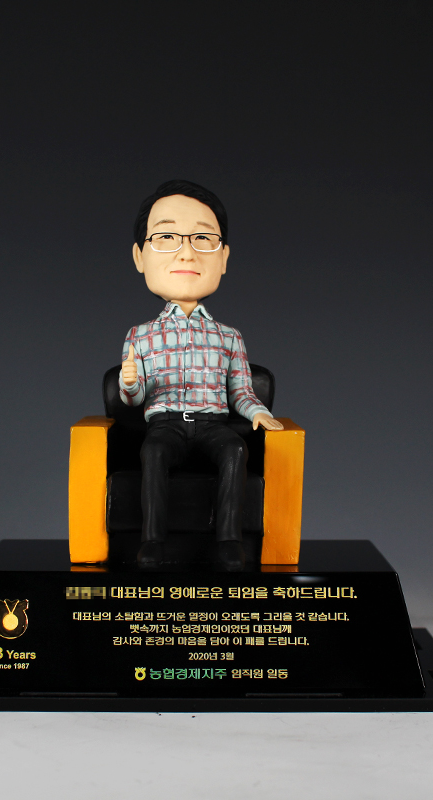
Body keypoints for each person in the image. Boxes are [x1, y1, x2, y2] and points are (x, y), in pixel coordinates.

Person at [118, 180, 284, 569]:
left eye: (203, 238)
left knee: (235, 450)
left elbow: (241, 391)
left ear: (223, 258)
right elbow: (134, 398)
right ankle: (152, 541)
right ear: (140, 256)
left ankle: (229, 542)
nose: (187, 252)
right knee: (153, 452)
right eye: (167, 237)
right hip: (166, 423)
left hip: (212, 425)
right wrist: (130, 382)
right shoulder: (140, 336)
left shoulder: (228, 337)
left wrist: (258, 412)